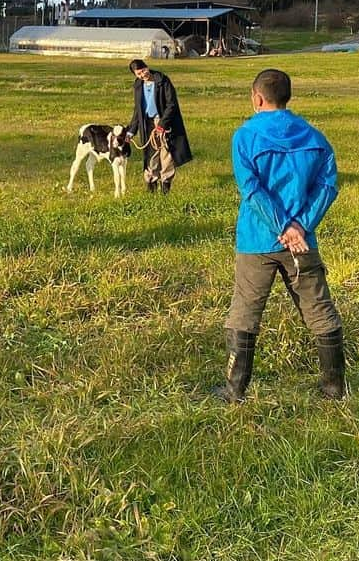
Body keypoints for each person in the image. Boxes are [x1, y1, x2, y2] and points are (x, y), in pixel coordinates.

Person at [214, 68, 344, 403]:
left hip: (256, 240)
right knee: (319, 309)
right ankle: (333, 389)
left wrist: (282, 226)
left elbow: (251, 190)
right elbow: (328, 187)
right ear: (287, 96)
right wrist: (300, 225)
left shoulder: (245, 136)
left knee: (245, 311)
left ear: (256, 98)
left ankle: (234, 391)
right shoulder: (316, 138)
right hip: (302, 243)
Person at [126, 58, 192, 194]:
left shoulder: (162, 81)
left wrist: (162, 125)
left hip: (164, 123)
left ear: (147, 67)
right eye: (139, 74)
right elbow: (137, 110)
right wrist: (131, 131)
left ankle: (165, 186)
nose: (143, 75)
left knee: (166, 154)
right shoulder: (138, 85)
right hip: (147, 123)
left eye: (143, 70)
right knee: (151, 154)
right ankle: (151, 183)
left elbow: (171, 104)